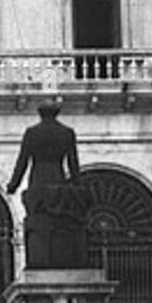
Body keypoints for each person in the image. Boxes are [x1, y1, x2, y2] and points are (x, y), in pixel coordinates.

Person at [5, 102, 92, 268]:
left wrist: (13, 185)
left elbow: (23, 161)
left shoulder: (32, 133)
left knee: (39, 215)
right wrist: (77, 183)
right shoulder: (67, 132)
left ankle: (41, 254)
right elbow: (73, 163)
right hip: (58, 175)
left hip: (38, 177)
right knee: (58, 213)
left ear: (40, 114)